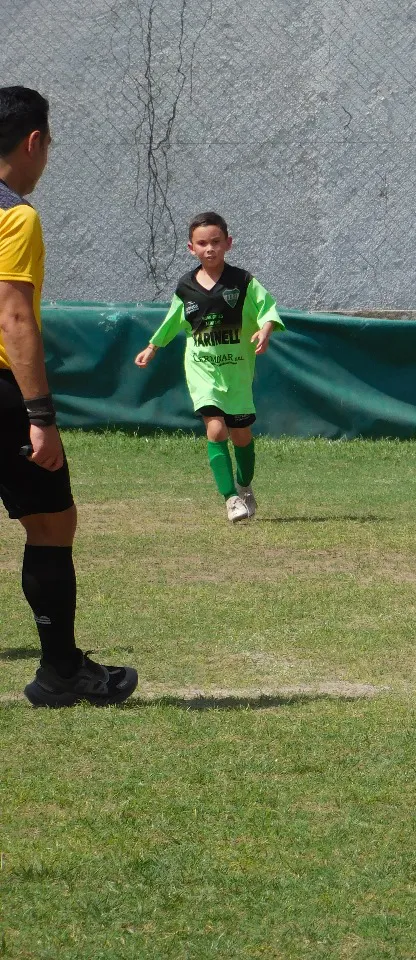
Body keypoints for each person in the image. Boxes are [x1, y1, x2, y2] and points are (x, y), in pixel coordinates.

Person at [0, 86, 138, 706]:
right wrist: (41, 418)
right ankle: (60, 671)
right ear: (33, 142)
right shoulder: (15, 215)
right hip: (4, 395)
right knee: (52, 525)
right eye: (49, 144)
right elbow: (15, 320)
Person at [135, 212, 283, 522]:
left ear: (228, 243)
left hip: (237, 371)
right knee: (216, 429)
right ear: (191, 248)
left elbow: (268, 309)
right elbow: (173, 319)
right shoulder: (186, 287)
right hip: (202, 369)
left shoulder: (243, 282)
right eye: (202, 243)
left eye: (216, 242)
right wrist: (153, 346)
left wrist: (265, 331)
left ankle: (244, 487)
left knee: (241, 435)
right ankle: (230, 499)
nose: (210, 249)